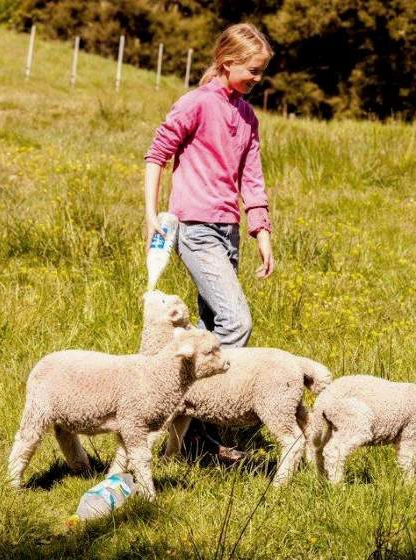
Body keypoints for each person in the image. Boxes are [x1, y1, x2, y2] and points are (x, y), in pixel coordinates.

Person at [143, 23, 275, 461]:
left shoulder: (247, 115)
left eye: (261, 72)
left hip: (228, 231)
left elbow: (251, 179)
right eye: (253, 71)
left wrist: (262, 232)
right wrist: (151, 215)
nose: (258, 79)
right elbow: (156, 154)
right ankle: (214, 415)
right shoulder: (197, 103)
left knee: (213, 328)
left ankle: (187, 427)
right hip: (194, 228)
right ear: (228, 61)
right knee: (237, 323)